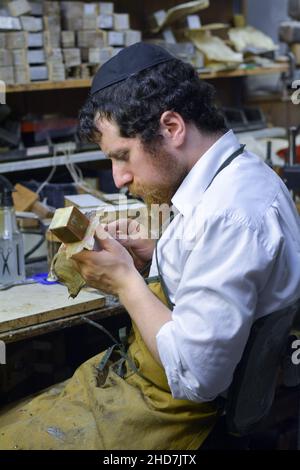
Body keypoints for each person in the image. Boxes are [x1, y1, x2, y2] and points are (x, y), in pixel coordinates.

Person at [1, 42, 300, 450]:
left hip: (184, 414)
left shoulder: (230, 213)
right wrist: (153, 256)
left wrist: (125, 283)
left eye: (122, 156)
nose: (119, 177)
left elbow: (197, 377)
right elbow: (207, 273)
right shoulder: (233, 177)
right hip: (152, 386)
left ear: (172, 127)